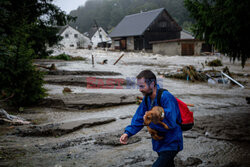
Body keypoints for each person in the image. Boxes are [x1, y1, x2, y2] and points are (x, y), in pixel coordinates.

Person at [119, 70, 183, 167]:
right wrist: (127, 133)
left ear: (152, 84)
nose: (139, 89)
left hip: (171, 143)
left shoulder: (166, 97)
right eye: (138, 86)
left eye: (142, 86)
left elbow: (171, 123)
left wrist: (149, 123)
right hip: (159, 143)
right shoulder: (147, 99)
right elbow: (139, 118)